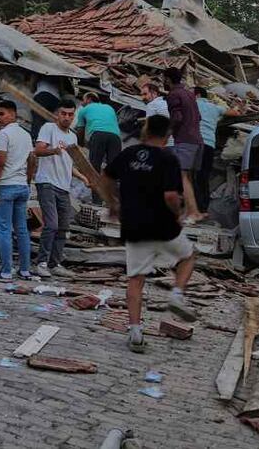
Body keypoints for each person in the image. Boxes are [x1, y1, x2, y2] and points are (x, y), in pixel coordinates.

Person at [101, 114, 197, 353]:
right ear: (168, 136)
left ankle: (135, 332)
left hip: (134, 226)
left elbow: (105, 178)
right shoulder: (168, 158)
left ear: (146, 131)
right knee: (187, 257)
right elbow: (171, 196)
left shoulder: (128, 154)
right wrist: (178, 213)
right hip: (163, 226)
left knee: (136, 279)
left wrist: (113, 203)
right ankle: (176, 295)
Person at [34, 98, 89, 278]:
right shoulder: (48, 128)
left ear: (73, 116)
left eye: (70, 114)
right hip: (47, 183)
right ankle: (41, 263)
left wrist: (82, 177)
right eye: (63, 114)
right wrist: (54, 150)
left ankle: (54, 264)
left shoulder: (72, 137)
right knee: (51, 224)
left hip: (63, 187)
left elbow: (68, 164)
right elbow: (38, 150)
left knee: (63, 227)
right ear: (57, 114)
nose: (66, 117)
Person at [0, 101, 35, 281]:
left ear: (13, 114)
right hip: (22, 186)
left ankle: (6, 271)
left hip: (6, 185)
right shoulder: (26, 134)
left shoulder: (4, 134)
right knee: (22, 229)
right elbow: (32, 160)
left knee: (4, 229)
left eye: (2, 114)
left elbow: (0, 161)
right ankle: (25, 270)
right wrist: (28, 181)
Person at [162, 67, 204, 222]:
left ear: (168, 79)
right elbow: (199, 117)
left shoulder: (173, 95)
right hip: (198, 140)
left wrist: (166, 135)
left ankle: (193, 213)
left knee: (182, 177)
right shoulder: (190, 94)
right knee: (188, 177)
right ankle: (190, 212)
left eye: (163, 79)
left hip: (185, 140)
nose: (163, 82)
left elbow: (177, 118)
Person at [194, 87, 242, 213]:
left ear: (197, 95)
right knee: (204, 176)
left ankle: (193, 207)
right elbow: (235, 113)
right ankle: (203, 207)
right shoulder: (214, 107)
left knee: (192, 176)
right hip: (209, 145)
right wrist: (237, 107)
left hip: (195, 144)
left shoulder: (192, 105)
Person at [74, 92, 122, 203]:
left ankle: (97, 201)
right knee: (114, 171)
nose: (82, 102)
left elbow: (80, 131)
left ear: (89, 99)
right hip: (115, 138)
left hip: (98, 135)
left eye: (83, 100)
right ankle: (115, 202)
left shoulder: (84, 110)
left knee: (93, 169)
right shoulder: (109, 108)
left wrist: (80, 144)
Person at [141, 82, 173, 146]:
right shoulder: (165, 102)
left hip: (162, 143)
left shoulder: (152, 104)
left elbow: (148, 126)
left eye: (145, 94)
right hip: (173, 141)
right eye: (141, 95)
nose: (143, 97)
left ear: (154, 94)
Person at [31, 77, 61, 143]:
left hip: (42, 95)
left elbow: (32, 88)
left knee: (37, 117)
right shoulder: (59, 79)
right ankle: (48, 141)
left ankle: (36, 139)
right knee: (50, 121)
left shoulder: (40, 76)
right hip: (56, 99)